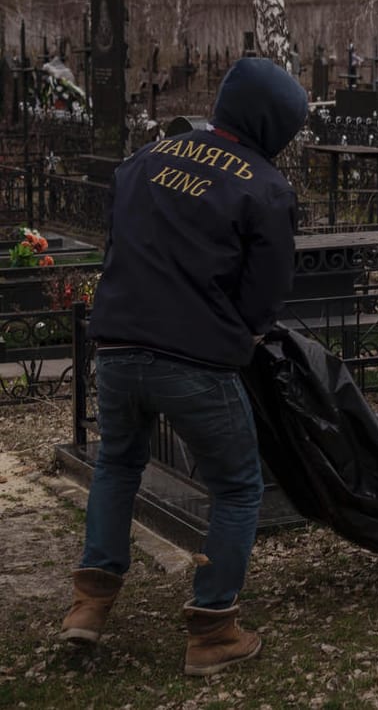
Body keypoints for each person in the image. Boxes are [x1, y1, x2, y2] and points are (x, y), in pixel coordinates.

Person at [62, 57, 308, 676]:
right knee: (236, 485)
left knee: (117, 465)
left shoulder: (146, 159)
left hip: (118, 347)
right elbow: (267, 288)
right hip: (196, 359)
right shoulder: (265, 186)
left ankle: (89, 606)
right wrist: (244, 334)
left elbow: (119, 242)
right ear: (273, 123)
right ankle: (214, 629)